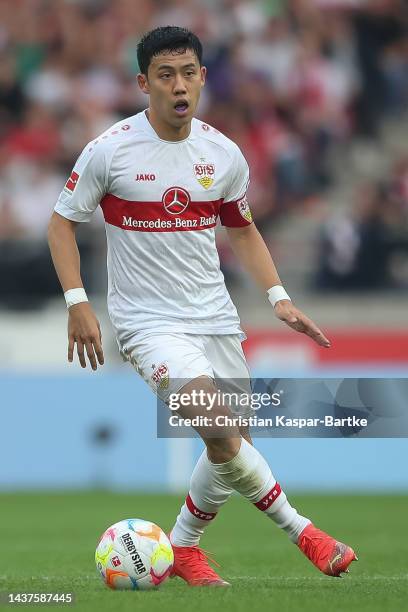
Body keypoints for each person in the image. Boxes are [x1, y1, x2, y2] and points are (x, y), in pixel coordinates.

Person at [48, 26, 357, 587]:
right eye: (165, 75)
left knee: (230, 445)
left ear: (203, 78)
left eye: (188, 72)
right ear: (144, 83)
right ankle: (306, 534)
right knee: (219, 429)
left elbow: (242, 229)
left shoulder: (223, 153)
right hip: (147, 323)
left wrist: (279, 298)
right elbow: (61, 222)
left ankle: (185, 547)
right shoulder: (110, 150)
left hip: (215, 316)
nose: (179, 85)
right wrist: (78, 302)